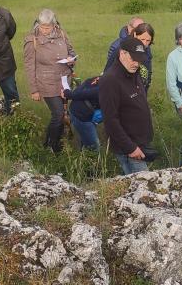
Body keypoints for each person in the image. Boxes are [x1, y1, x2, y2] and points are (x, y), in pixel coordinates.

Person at [23, 9, 76, 153]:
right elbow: (29, 66)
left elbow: (71, 51)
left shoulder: (62, 34)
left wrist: (71, 60)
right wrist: (34, 89)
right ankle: (53, 146)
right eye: (42, 27)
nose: (44, 30)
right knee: (58, 114)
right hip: (46, 83)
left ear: (54, 25)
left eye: (47, 27)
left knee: (63, 114)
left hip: (64, 81)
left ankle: (50, 143)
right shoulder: (32, 40)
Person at [99, 37, 153, 175]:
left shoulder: (134, 72)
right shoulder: (110, 80)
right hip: (129, 149)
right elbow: (110, 120)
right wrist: (130, 148)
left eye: (139, 59)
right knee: (144, 186)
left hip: (141, 143)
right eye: (133, 58)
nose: (136, 63)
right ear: (122, 53)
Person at [106, 21, 155, 89]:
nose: (145, 43)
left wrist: (146, 85)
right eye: (142, 39)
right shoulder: (122, 49)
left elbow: (148, 71)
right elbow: (108, 72)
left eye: (148, 40)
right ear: (135, 35)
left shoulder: (147, 50)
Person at [64, 76, 103, 150]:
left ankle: (83, 153)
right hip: (81, 114)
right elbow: (80, 94)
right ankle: (89, 159)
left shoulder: (99, 78)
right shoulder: (106, 86)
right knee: (94, 146)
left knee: (86, 140)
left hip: (84, 111)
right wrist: (68, 93)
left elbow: (80, 90)